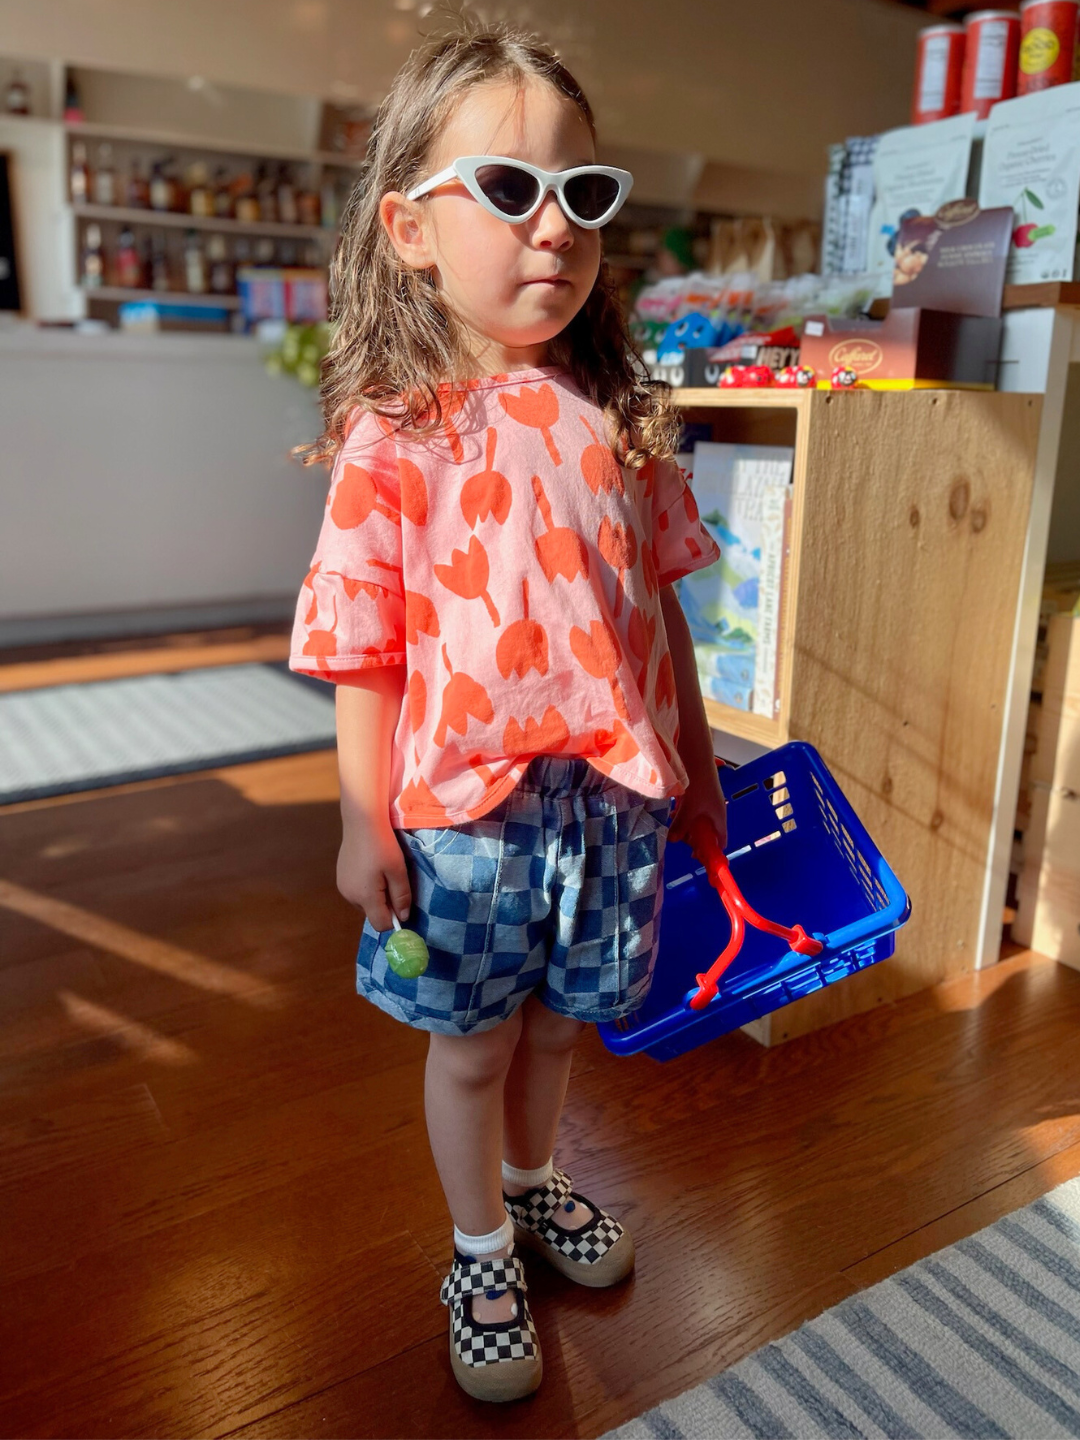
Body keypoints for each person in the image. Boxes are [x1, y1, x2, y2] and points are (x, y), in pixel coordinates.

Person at [289, 16, 728, 1405]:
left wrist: (699, 770)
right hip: (463, 817)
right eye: (509, 190)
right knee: (470, 1044)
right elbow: (366, 642)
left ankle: (534, 1191)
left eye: (585, 196)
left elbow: (660, 619)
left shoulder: (616, 415)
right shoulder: (397, 431)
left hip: (609, 795)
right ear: (412, 227)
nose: (555, 228)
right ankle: (478, 1244)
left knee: (555, 1029)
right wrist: (366, 819)